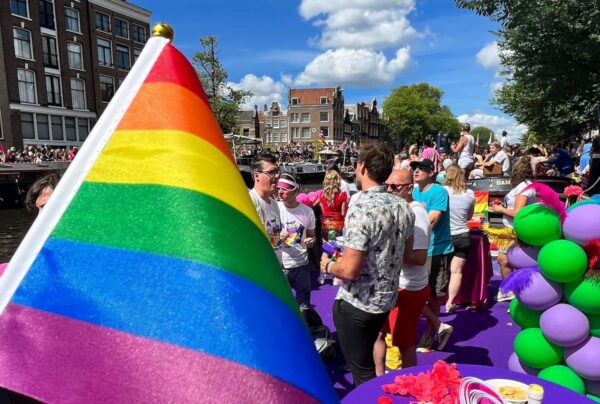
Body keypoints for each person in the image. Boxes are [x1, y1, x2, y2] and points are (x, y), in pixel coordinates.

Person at [320, 144, 414, 385]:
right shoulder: (404, 206)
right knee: (368, 366)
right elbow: (406, 253)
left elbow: (349, 270)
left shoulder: (360, 206)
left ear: (361, 167)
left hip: (358, 304)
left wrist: (328, 265)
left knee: (362, 373)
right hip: (386, 299)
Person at [374, 168, 430, 372]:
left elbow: (419, 258)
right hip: (390, 284)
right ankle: (377, 381)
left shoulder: (417, 213)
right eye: (386, 186)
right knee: (378, 334)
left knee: (403, 343)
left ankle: (408, 385)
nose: (389, 190)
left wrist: (385, 254)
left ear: (409, 188)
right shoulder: (395, 209)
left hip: (408, 288)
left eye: (394, 187)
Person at [411, 159, 454, 351]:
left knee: (432, 294)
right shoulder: (413, 191)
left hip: (436, 249)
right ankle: (438, 325)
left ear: (431, 172)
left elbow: (432, 221)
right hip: (416, 248)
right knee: (412, 292)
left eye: (421, 168)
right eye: (414, 168)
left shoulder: (438, 192)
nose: (416, 171)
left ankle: (429, 334)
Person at [490, 157, 537, 301]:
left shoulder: (523, 188)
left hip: (513, 229)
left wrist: (500, 209)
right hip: (515, 229)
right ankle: (511, 290)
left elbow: (518, 212)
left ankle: (509, 291)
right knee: (508, 260)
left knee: (503, 260)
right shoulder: (527, 186)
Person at [276, 173, 316, 315]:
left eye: (285, 189)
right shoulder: (274, 208)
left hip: (301, 265)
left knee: (304, 305)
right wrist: (276, 236)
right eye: (279, 188)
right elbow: (264, 235)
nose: (280, 191)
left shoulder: (308, 212)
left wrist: (311, 241)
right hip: (280, 265)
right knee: (281, 305)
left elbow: (311, 235)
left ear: (296, 191)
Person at [443, 165, 475, 313]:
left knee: (437, 270)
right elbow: (469, 217)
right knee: (457, 272)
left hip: (445, 236)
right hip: (462, 235)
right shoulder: (470, 194)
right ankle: (450, 302)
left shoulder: (442, 191)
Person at [249, 152, 282, 253]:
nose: (276, 176)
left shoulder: (273, 203)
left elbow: (274, 242)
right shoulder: (250, 202)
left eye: (277, 171)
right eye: (271, 172)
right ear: (257, 176)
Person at [316, 169, 348, 241]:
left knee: (327, 247)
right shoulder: (342, 195)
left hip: (326, 224)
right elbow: (343, 213)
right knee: (337, 247)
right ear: (337, 181)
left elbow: (323, 211)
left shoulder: (321, 195)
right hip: (338, 225)